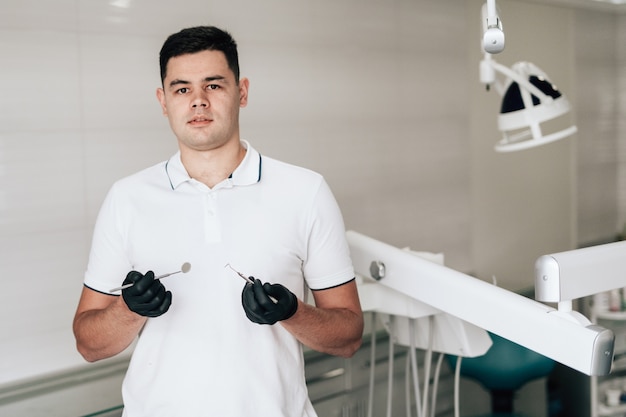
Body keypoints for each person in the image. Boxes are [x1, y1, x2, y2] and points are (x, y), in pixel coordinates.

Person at [72, 25, 363, 417]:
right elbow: (88, 345)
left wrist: (292, 312)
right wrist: (129, 308)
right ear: (163, 101)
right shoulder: (127, 198)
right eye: (182, 89)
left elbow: (348, 337)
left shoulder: (305, 192)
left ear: (241, 92)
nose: (198, 101)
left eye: (213, 85)